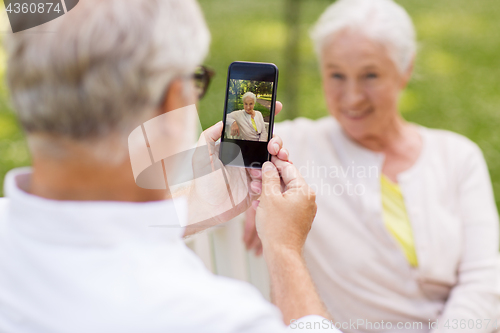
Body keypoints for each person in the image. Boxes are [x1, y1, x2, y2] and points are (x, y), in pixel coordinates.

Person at [0, 0, 341, 332]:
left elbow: (83, 237)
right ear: (173, 97)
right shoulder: (216, 317)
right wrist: (284, 250)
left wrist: (185, 198)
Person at [244, 0, 500, 332]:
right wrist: (248, 180)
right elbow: (191, 175)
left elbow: (484, 280)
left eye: (370, 75)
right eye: (336, 74)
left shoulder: (457, 156)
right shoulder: (294, 147)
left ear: (405, 69)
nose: (352, 97)